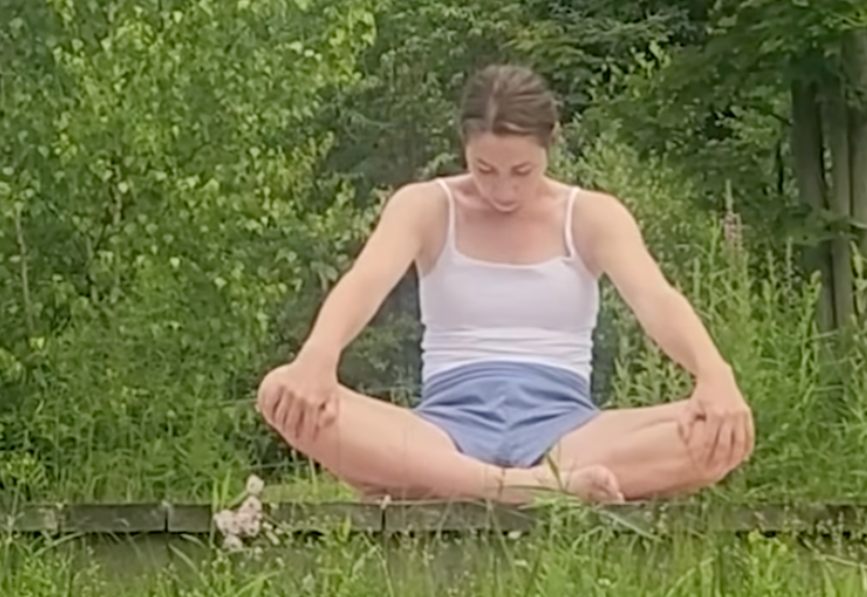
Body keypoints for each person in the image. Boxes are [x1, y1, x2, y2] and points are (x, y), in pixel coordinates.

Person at [254, 63, 755, 504]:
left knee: (724, 432)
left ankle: (473, 482)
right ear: (463, 146)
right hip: (444, 428)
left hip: (569, 431)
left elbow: (656, 299)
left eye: (522, 171)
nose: (503, 190)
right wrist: (318, 357)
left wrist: (716, 375)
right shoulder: (427, 206)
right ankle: (522, 487)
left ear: (549, 144)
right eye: (485, 169)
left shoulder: (591, 216)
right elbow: (365, 280)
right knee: (280, 391)